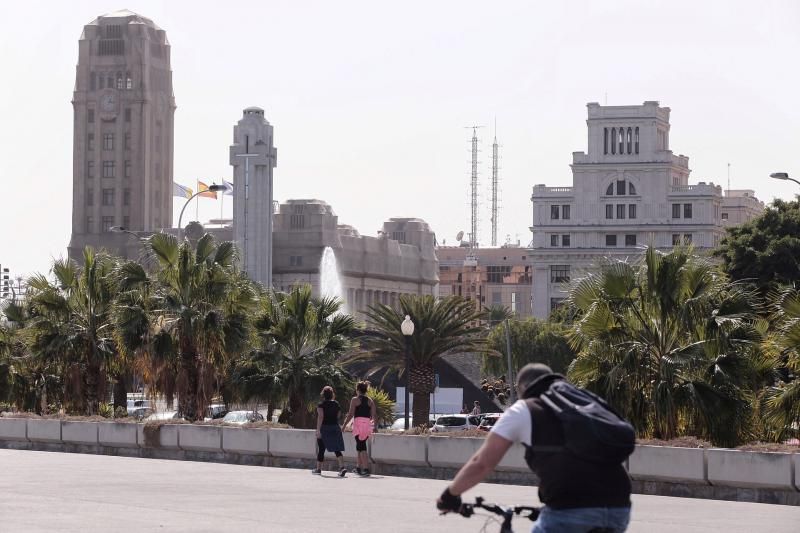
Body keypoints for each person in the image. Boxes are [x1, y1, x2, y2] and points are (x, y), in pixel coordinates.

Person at [436, 363, 632, 532]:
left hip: (571, 508)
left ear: (522, 388)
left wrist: (450, 495)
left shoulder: (524, 409)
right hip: (619, 507)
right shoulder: (584, 401)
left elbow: (482, 464)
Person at [341, 381, 377, 476]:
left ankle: (365, 469)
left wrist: (344, 425)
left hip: (358, 424)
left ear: (358, 390)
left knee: (362, 447)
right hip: (367, 425)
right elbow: (374, 415)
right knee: (360, 446)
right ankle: (358, 467)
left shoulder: (355, 399)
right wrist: (374, 427)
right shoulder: (370, 401)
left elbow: (351, 414)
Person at [314, 385, 347, 477]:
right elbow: (338, 415)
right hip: (335, 427)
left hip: (324, 428)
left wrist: (318, 430)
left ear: (323, 394)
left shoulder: (321, 405)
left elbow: (320, 417)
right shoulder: (336, 404)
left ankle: (318, 469)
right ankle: (342, 467)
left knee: (321, 449)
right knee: (337, 448)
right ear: (332, 394)